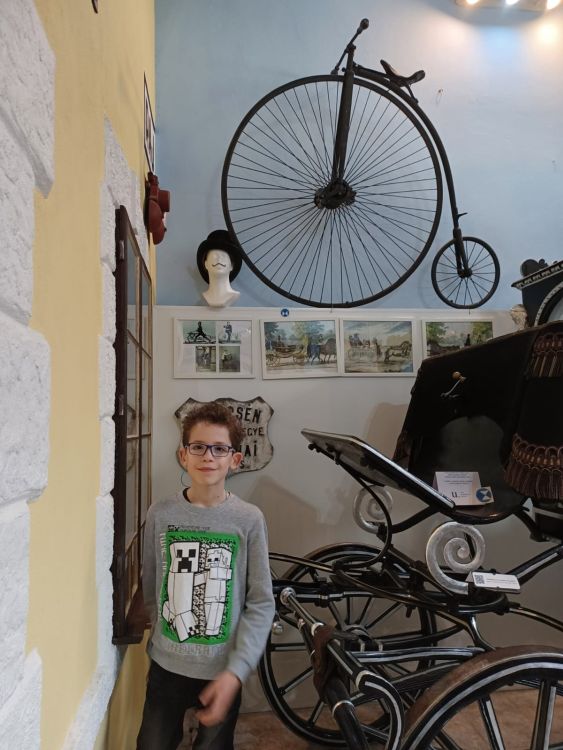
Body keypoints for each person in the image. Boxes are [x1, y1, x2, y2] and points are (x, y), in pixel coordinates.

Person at [137, 402, 275, 750]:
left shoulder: (249, 519)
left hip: (222, 671)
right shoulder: (160, 514)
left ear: (235, 459)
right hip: (166, 668)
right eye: (198, 446)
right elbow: (152, 583)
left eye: (219, 448)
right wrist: (160, 641)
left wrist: (236, 671)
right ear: (183, 455)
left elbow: (261, 602)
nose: (208, 456)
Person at [197, 230, 243, 308]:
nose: (219, 259)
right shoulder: (204, 296)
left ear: (231, 265)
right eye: (214, 256)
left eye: (223, 256)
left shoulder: (234, 295)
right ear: (206, 264)